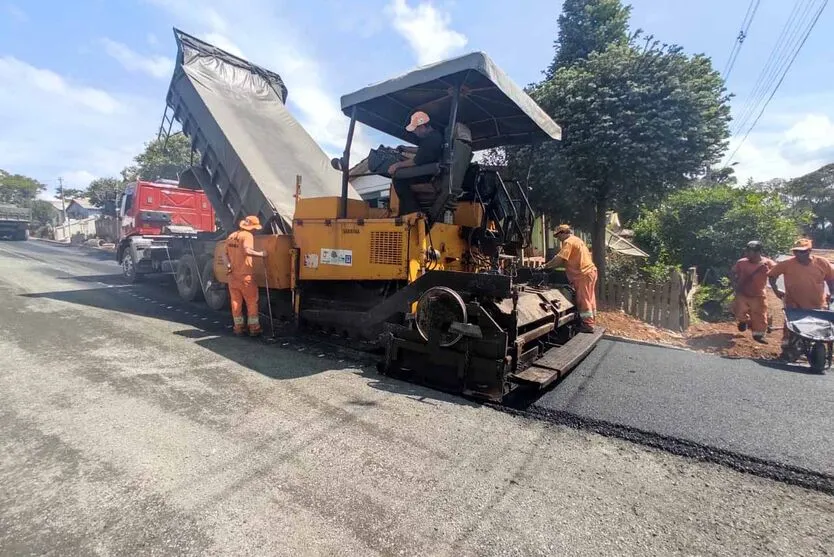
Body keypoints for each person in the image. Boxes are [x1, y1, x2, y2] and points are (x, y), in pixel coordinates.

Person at [768, 238, 834, 353]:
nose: (799, 254)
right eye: (796, 251)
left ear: (809, 251)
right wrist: (776, 290)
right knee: (791, 329)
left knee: (817, 330)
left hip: (817, 305)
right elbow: (772, 275)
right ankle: (787, 350)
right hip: (794, 305)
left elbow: (831, 279)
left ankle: (812, 351)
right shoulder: (787, 264)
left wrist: (832, 293)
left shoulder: (822, 263)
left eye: (802, 251)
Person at [542, 224, 598, 333]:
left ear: (563, 232)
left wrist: (545, 266)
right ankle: (591, 320)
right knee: (590, 298)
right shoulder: (577, 240)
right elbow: (569, 260)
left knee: (583, 300)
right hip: (590, 272)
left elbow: (560, 259)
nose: (558, 239)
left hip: (582, 274)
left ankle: (588, 325)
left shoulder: (568, 242)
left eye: (558, 236)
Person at [388, 111, 444, 215]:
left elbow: (416, 161)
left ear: (422, 126)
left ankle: (413, 212)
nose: (415, 133)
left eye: (415, 130)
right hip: (432, 169)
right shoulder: (434, 136)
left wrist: (396, 165)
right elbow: (422, 150)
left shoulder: (432, 139)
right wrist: (405, 148)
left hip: (430, 173)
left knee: (398, 177)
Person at [222, 215, 267, 337]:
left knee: (236, 302)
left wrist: (229, 265)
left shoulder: (232, 236)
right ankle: (254, 328)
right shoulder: (247, 236)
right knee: (252, 302)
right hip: (245, 275)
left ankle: (238, 328)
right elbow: (247, 251)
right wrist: (261, 254)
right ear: (252, 227)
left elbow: (224, 255)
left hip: (232, 276)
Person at [731, 241, 775, 344]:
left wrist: (771, 274)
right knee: (739, 310)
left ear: (758, 252)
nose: (746, 253)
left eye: (749, 251)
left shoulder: (767, 263)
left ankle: (758, 335)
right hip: (742, 293)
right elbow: (733, 272)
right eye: (747, 251)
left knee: (759, 315)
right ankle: (743, 321)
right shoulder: (741, 262)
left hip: (758, 295)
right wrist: (734, 283)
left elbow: (776, 271)